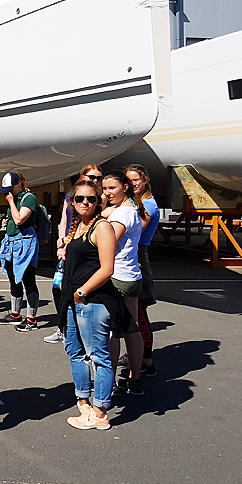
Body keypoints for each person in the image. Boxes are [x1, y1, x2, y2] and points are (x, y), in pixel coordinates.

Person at [59, 178, 135, 431]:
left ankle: (100, 411)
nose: (85, 203)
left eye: (91, 199)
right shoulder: (78, 226)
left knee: (99, 356)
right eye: (79, 198)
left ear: (98, 201)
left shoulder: (101, 227)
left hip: (93, 301)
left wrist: (82, 291)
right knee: (75, 351)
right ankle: (84, 403)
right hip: (73, 300)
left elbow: (107, 268)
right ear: (72, 201)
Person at [100, 169, 148, 396]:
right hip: (131, 275)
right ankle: (135, 379)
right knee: (131, 327)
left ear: (125, 187)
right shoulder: (131, 209)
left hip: (117, 276)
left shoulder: (121, 215)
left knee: (113, 331)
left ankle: (106, 383)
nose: (107, 193)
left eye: (112, 188)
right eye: (104, 188)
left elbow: (108, 242)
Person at [47, 164, 103, 344]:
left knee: (79, 290)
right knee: (58, 287)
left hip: (86, 248)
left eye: (97, 178)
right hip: (70, 244)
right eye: (90, 177)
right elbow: (64, 221)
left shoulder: (99, 199)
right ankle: (62, 327)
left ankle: (77, 329)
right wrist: (62, 243)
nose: (94, 180)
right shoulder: (70, 198)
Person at [126, 164, 160, 377]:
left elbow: (136, 229)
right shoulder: (136, 203)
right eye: (128, 181)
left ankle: (146, 360)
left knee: (140, 312)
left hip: (138, 258)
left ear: (145, 179)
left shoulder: (148, 205)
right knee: (132, 314)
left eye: (136, 179)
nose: (132, 184)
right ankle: (136, 355)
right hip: (132, 256)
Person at [0, 172, 40, 332]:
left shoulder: (28, 198)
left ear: (19, 184)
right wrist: (7, 221)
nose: (8, 192)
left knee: (28, 278)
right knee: (13, 278)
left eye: (10, 188)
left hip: (25, 242)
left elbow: (20, 218)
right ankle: (15, 314)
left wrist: (11, 203)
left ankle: (31, 319)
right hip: (11, 241)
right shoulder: (14, 198)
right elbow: (14, 218)